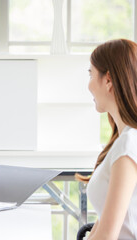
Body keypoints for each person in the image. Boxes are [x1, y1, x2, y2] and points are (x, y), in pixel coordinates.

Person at [76, 39, 137, 239]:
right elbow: (102, 225)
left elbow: (107, 236)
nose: (89, 86)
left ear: (108, 80)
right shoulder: (123, 139)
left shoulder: (128, 145)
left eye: (91, 74)